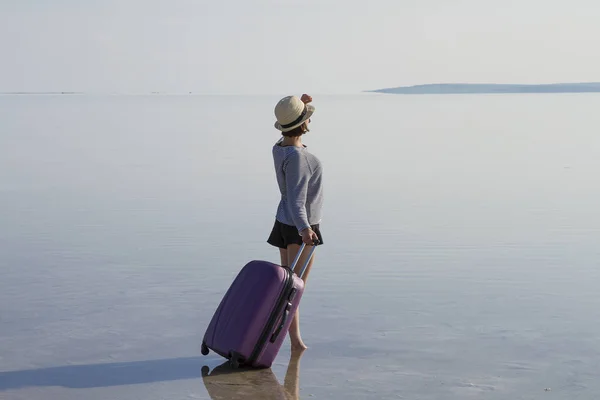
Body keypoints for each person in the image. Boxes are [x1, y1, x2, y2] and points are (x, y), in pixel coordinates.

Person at [267, 93, 324, 351]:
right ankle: (292, 343)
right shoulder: (299, 158)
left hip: (284, 221)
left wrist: (299, 106)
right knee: (294, 290)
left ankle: (291, 342)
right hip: (300, 225)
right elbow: (297, 200)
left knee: (288, 287)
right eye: (307, 116)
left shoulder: (280, 149)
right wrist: (305, 230)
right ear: (303, 124)